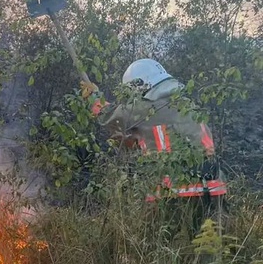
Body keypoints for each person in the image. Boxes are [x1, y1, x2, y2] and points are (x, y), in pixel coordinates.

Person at [81, 58, 228, 238]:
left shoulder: (147, 107)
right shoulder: (185, 104)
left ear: (139, 86)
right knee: (209, 247)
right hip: (213, 189)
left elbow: (111, 117)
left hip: (175, 192)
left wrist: (95, 98)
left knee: (159, 245)